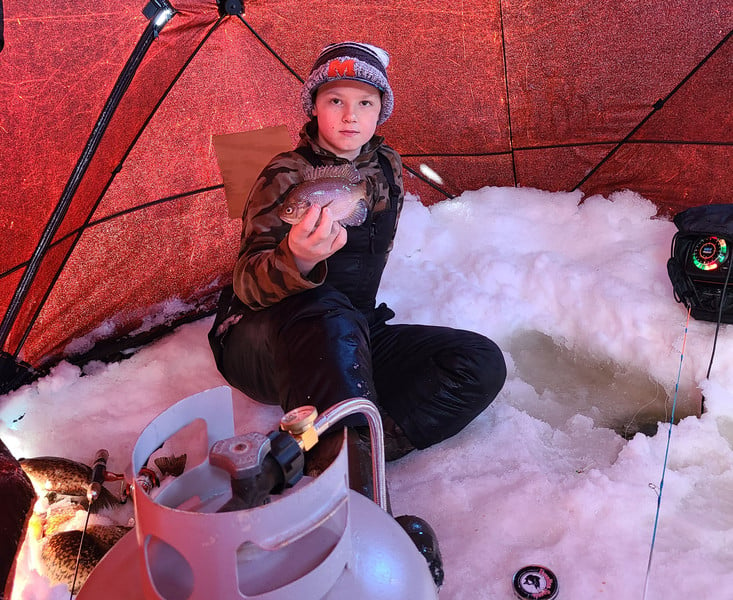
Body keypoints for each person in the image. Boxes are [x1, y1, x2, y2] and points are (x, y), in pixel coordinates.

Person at [209, 41, 507, 588]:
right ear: (314, 108)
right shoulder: (286, 174)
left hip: (349, 330)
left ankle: (331, 457)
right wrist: (294, 257)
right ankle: (364, 516)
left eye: (366, 102)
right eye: (335, 100)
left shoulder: (385, 167)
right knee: (327, 311)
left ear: (381, 110)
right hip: (259, 336)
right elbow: (245, 285)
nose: (351, 115)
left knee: (478, 362)